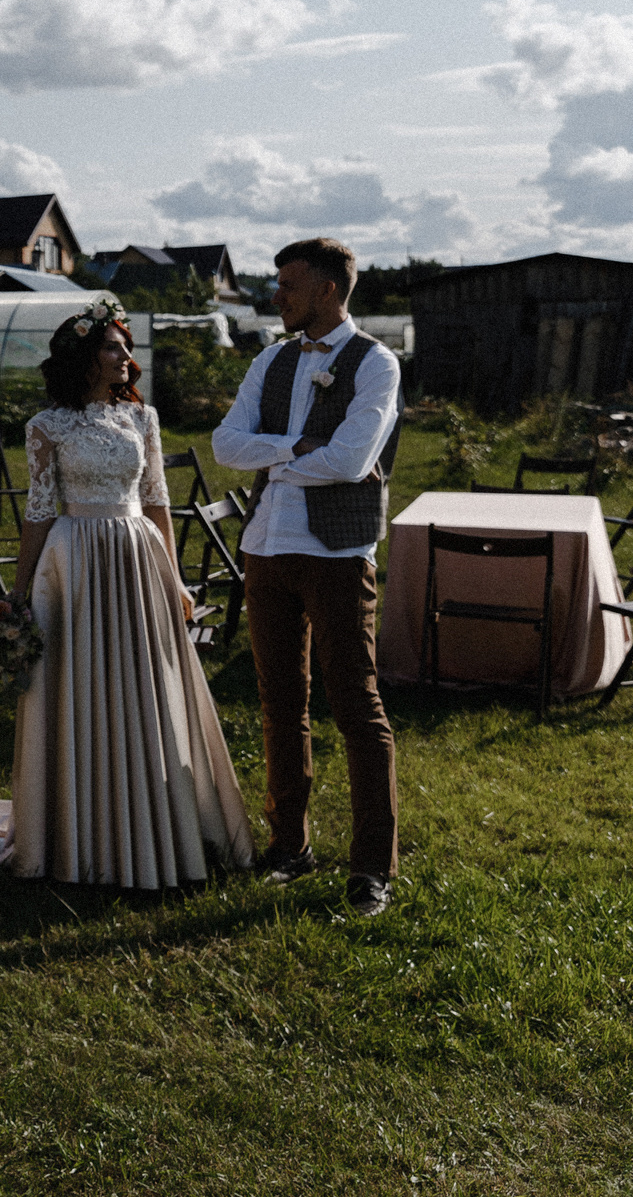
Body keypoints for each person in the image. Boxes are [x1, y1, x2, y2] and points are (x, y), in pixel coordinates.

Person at [0, 303, 253, 890]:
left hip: (136, 555)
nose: (125, 358)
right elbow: (39, 511)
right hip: (75, 556)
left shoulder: (144, 420)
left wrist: (176, 579)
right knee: (78, 685)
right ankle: (80, 827)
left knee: (145, 686)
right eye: (113, 347)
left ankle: (155, 819)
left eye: (123, 347)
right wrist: (18, 589)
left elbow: (159, 501)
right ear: (85, 358)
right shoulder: (47, 425)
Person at [211, 237, 403, 917]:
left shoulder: (376, 364)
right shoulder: (271, 358)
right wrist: (295, 448)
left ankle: (372, 867)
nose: (277, 295)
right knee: (279, 704)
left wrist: (276, 459)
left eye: (288, 284)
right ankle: (290, 846)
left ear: (328, 289)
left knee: (356, 706)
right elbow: (225, 445)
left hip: (339, 555)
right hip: (266, 547)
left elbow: (352, 460)